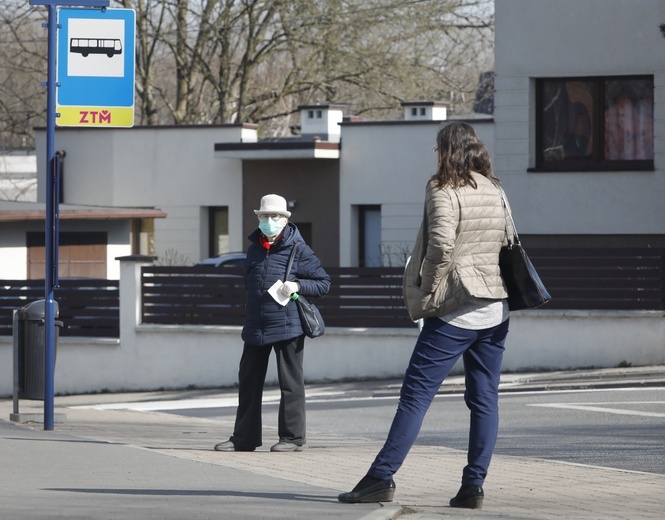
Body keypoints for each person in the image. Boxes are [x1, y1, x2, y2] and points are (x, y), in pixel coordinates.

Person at [338, 122, 511, 509]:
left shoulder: (441, 188)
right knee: (484, 401)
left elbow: (441, 246)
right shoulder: (494, 187)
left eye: (435, 149)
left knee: (415, 398)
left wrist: (429, 291)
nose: (433, 156)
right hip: (496, 307)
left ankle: (380, 478)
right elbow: (503, 242)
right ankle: (473, 487)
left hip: (455, 310)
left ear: (444, 151)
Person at [214, 194, 330, 453]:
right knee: (248, 381)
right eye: (264, 216)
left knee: (290, 383)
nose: (269, 221)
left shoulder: (299, 248)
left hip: (288, 325)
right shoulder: (254, 247)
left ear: (285, 220)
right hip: (256, 325)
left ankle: (292, 438)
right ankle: (244, 438)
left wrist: (298, 285)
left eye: (274, 216)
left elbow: (324, 283)